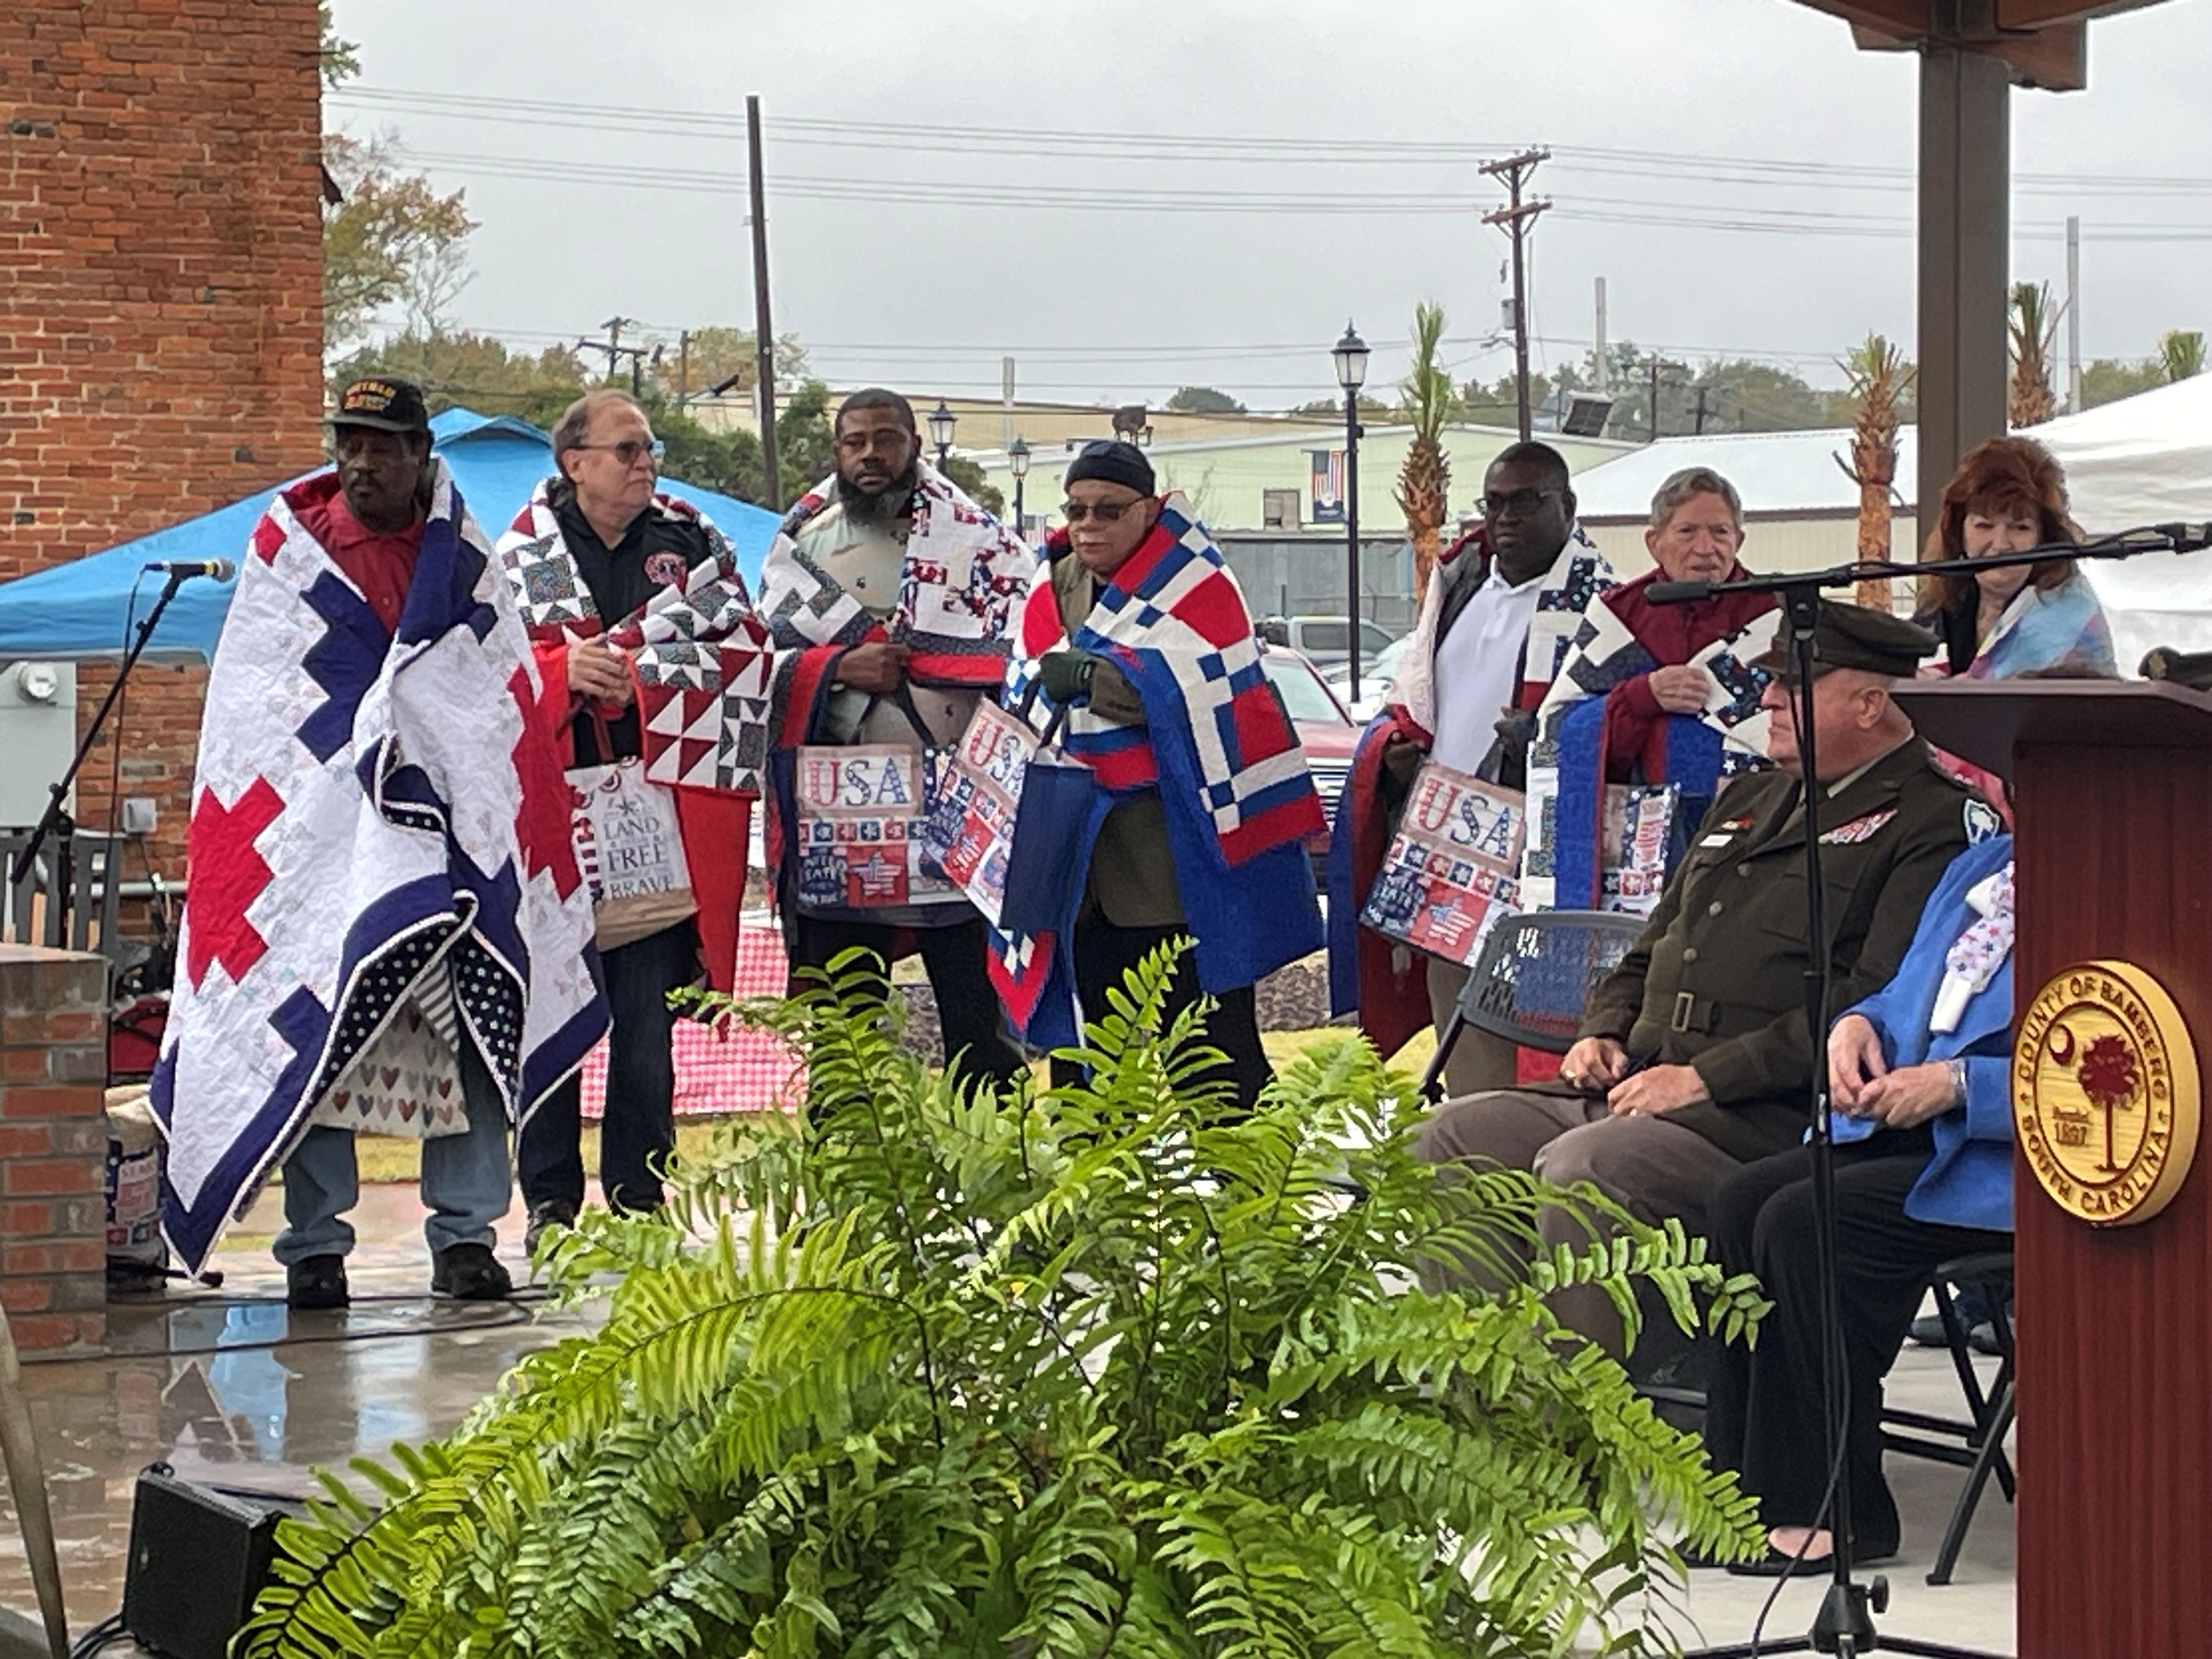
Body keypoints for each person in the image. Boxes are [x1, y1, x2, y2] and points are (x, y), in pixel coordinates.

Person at [1414, 602, 1980, 1359]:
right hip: (1637, 1086)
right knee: (1443, 1140)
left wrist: (1705, 1080)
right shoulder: (1753, 797)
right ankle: (1487, 1418)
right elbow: (1653, 943)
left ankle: (1586, 1442)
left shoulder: (1932, 823)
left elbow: (1875, 1009)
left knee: (1588, 1170)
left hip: (1763, 1118)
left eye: (1792, 686)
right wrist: (1601, 1030)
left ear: (1870, 704)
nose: (1768, 700)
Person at [151, 378, 606, 1307]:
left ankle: (466, 1236)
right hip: (315, 854)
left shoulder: (466, 563)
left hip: (445, 852)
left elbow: (493, 703)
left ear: (419, 456)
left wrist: (425, 757)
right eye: (349, 442)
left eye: (383, 445)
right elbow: (260, 715)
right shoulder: (290, 558)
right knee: (314, 1034)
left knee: (476, 1024)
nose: (362, 461)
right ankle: (313, 1244)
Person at [1700, 833, 2016, 1573]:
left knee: (1807, 1225)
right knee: (1741, 1203)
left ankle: (1839, 1510)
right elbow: (1905, 990)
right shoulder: (1982, 864)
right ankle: (1739, 1496)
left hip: (2009, 1157)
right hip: (1907, 1126)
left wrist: (1964, 1085)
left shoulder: (2130, 878)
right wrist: (1856, 1027)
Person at [497, 388, 770, 1246]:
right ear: (574, 464)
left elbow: (745, 650)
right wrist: (560, 671)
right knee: (552, 1015)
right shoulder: (513, 559)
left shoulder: (690, 548)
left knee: (647, 1026)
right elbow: (477, 677)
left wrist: (639, 672)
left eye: (649, 449)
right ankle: (548, 1201)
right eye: (626, 450)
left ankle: (641, 1198)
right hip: (553, 820)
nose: (646, 463)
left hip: (657, 811)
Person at [1019, 441, 1325, 1109]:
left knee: (1213, 1057)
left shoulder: (1195, 580)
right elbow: (1027, 670)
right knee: (1087, 1065)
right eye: (1076, 509)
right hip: (1077, 862)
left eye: (1108, 509)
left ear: (1150, 510)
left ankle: (1255, 1200)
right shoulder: (1051, 580)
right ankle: (1096, 1202)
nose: (1088, 524)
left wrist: (1097, 677)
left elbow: (1210, 689)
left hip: (1173, 866)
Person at [760, 388, 1029, 1090]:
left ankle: (998, 1171)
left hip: (954, 800)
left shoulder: (978, 534)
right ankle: (846, 1170)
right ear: (837, 451)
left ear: (915, 445)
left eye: (887, 439)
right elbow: (758, 664)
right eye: (855, 442)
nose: (871, 454)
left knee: (978, 1013)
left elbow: (1020, 647)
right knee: (844, 1023)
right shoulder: (801, 541)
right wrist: (838, 667)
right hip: (844, 807)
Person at [1329, 441, 1614, 1095]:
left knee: (1536, 1049)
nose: (1505, 518)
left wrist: (1543, 739)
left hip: (1535, 864)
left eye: (1526, 501)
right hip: (1445, 852)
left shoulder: (1603, 608)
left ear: (1567, 507)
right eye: (1494, 503)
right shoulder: (1459, 590)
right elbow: (1418, 701)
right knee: (1464, 1043)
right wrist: (1398, 757)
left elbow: (1615, 723)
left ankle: (1526, 1181)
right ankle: (1473, 1185)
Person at [1521, 467, 1779, 911]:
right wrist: (1640, 697)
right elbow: (1560, 731)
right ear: (1653, 541)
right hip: (1636, 845)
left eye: (1720, 532)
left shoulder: (1773, 614)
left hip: (1752, 833)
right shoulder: (1617, 615)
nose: (1705, 547)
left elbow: (1808, 727)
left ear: (1739, 539)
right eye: (1687, 531)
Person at [1916, 435, 2115, 681]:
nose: (2001, 545)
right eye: (1984, 526)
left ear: (2045, 537)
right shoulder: (1948, 599)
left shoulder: (2071, 611)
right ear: (1959, 531)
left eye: (2020, 528)